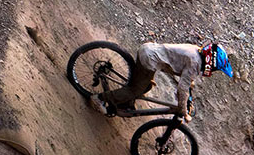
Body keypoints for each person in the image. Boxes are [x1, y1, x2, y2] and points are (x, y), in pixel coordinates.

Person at [99, 40, 239, 116]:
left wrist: (189, 88)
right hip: (149, 59)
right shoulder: (195, 63)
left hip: (149, 50)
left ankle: (123, 102)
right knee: (135, 90)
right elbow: (182, 88)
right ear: (211, 63)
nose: (213, 71)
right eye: (215, 69)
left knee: (146, 86)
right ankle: (100, 99)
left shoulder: (197, 51)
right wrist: (182, 109)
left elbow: (187, 79)